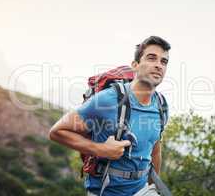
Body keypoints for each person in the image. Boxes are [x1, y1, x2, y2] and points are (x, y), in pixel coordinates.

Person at [49, 36, 171, 196]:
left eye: (163, 61)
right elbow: (57, 132)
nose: (158, 65)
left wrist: (152, 188)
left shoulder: (161, 105)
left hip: (141, 191)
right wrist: (101, 149)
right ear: (135, 65)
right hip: (105, 191)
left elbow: (154, 149)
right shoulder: (108, 99)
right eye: (151, 58)